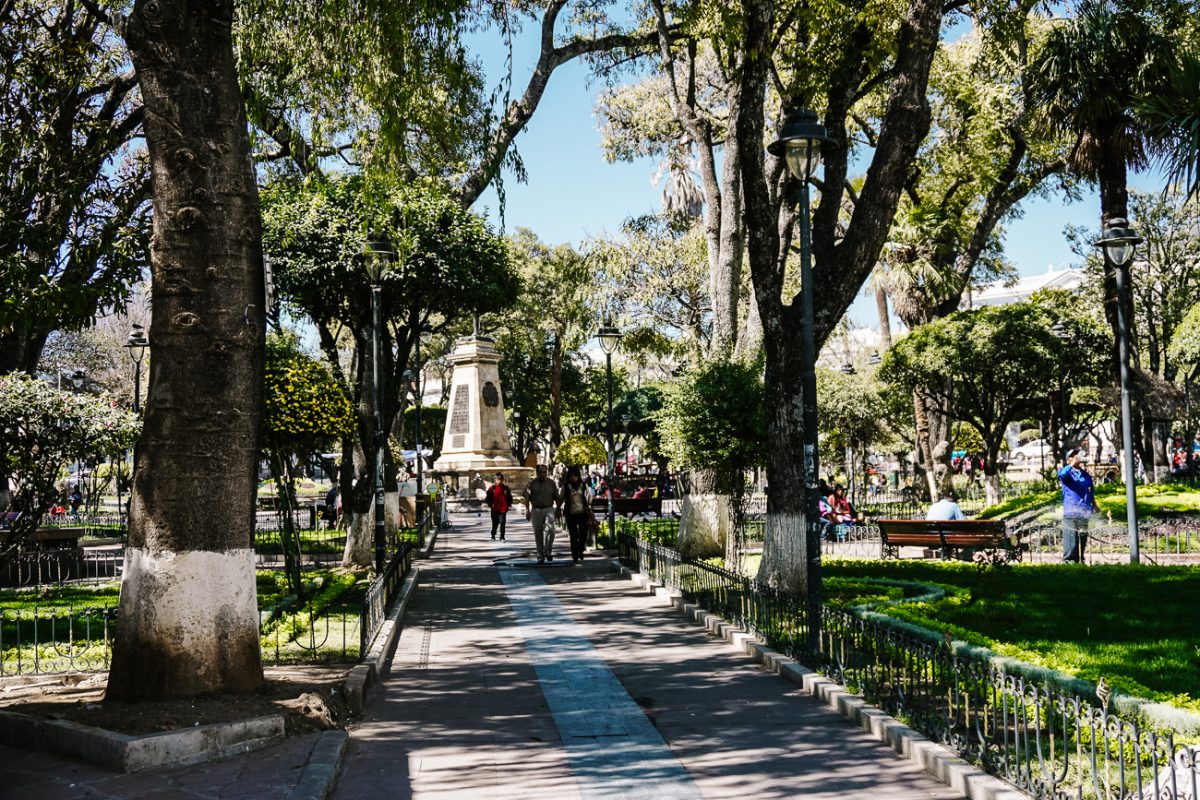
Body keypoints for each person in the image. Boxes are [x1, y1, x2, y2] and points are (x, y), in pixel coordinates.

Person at [1058, 448, 1097, 563]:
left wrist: (1094, 504)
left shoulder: (1085, 475)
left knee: (1083, 538)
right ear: (1068, 460)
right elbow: (1062, 474)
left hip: (1084, 511)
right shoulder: (1067, 472)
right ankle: (1068, 562)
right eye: (1073, 455)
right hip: (1071, 512)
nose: (1076, 456)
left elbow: (1090, 490)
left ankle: (1081, 560)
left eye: (1077, 454)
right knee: (1072, 541)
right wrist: (1071, 465)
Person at [524, 464, 559, 563]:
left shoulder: (551, 483)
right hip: (536, 509)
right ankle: (540, 554)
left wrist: (559, 508)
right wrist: (527, 510)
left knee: (551, 530)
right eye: (541, 472)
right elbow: (527, 497)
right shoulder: (531, 484)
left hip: (549, 509)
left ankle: (548, 552)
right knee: (538, 532)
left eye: (544, 472)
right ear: (537, 473)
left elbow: (556, 496)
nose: (543, 474)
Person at [558, 466, 594, 562]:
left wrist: (589, 504)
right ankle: (575, 555)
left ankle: (580, 549)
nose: (573, 478)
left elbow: (590, 495)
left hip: (582, 513)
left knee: (583, 534)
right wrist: (557, 508)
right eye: (571, 476)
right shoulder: (566, 486)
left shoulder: (583, 485)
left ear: (578, 476)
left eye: (575, 476)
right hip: (571, 514)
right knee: (573, 536)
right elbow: (561, 498)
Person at [484, 473, 513, 541]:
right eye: (497, 480)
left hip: (503, 509)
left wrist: (508, 504)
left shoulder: (506, 488)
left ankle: (502, 537)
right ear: (495, 480)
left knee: (502, 523)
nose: (499, 481)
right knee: (495, 523)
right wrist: (491, 504)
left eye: (500, 480)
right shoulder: (492, 488)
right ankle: (493, 535)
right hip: (495, 509)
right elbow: (488, 498)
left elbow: (510, 497)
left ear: (503, 480)